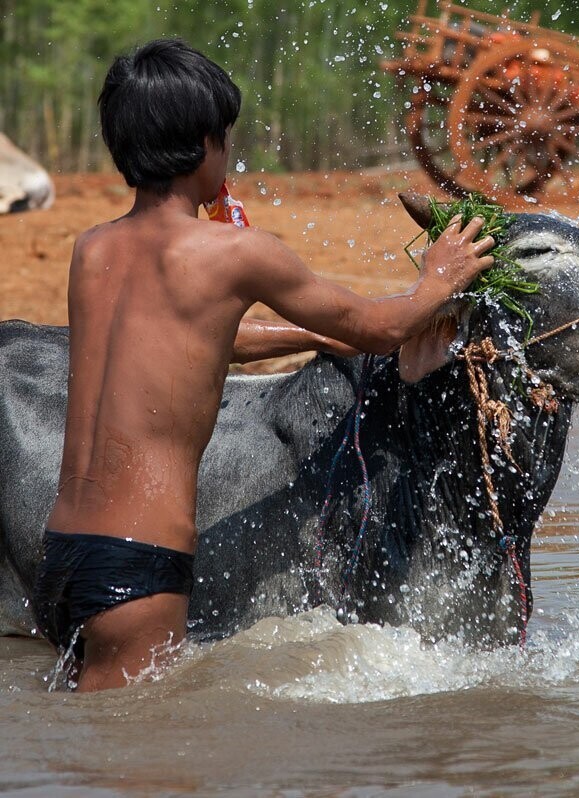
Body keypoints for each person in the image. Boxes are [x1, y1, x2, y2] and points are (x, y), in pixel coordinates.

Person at [31, 39, 494, 692]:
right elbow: (383, 325)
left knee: (82, 743)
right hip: (138, 563)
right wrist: (438, 280)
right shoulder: (235, 252)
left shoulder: (94, 249)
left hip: (63, 553)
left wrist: (308, 336)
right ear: (204, 145)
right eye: (227, 139)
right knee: (143, 761)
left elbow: (204, 340)